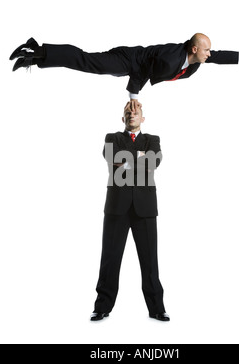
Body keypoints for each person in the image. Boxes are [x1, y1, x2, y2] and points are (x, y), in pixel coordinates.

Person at [9, 33, 239, 111]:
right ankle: (37, 52)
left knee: (88, 62)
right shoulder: (172, 60)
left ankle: (37, 56)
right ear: (194, 49)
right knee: (87, 61)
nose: (209, 54)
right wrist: (133, 96)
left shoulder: (195, 58)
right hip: (129, 61)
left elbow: (220, 57)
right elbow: (144, 71)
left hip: (137, 62)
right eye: (205, 51)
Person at [90, 101, 169, 321]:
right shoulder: (112, 138)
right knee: (110, 258)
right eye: (127, 112)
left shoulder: (153, 140)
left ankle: (157, 308)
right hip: (117, 207)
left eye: (135, 112)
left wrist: (127, 160)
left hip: (145, 208)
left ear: (143, 118)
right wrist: (141, 158)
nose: (131, 114)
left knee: (150, 260)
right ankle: (102, 306)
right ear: (122, 118)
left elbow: (155, 162)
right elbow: (112, 158)